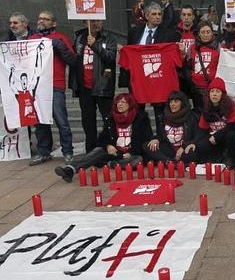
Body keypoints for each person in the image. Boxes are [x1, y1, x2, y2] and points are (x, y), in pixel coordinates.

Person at [54, 93, 153, 182]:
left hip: (132, 154)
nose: (120, 104)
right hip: (114, 152)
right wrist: (108, 146)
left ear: (130, 104)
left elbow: (145, 139)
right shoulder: (111, 118)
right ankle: (70, 170)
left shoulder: (141, 118)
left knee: (138, 160)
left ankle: (111, 164)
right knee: (97, 150)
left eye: (123, 102)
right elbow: (102, 138)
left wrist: (131, 152)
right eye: (118, 102)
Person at [123, 2, 181, 133]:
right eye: (154, 14)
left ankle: (161, 142)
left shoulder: (169, 34)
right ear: (146, 16)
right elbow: (129, 53)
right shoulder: (134, 32)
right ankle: (140, 142)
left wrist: (180, 50)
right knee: (137, 114)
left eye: (160, 14)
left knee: (160, 115)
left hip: (158, 81)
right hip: (139, 81)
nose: (157, 17)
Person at [29, 11, 76, 165]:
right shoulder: (32, 39)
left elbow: (73, 61)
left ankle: (68, 151)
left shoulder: (60, 38)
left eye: (45, 19)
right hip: (37, 87)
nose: (41, 20)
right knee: (40, 121)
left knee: (61, 121)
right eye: (40, 18)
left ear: (53, 23)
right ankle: (44, 152)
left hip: (55, 85)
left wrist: (61, 47)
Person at [70, 20, 118, 153]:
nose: (95, 24)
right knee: (88, 121)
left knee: (108, 119)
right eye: (92, 21)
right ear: (86, 23)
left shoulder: (108, 38)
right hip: (85, 87)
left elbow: (111, 57)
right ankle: (91, 150)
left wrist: (95, 45)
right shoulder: (79, 38)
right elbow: (74, 59)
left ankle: (110, 147)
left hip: (103, 86)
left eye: (98, 21)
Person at [188, 78, 235, 168]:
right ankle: (216, 157)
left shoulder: (230, 105)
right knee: (201, 145)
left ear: (222, 94)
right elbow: (202, 129)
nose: (214, 94)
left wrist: (217, 135)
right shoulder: (206, 107)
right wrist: (194, 143)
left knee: (232, 135)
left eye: (217, 91)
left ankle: (230, 158)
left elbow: (232, 125)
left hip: (225, 135)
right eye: (212, 91)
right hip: (213, 137)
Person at [144, 91, 197, 165]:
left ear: (183, 103)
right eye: (171, 101)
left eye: (176, 101)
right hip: (169, 149)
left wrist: (184, 147)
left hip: (184, 149)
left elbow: (196, 136)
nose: (172, 104)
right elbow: (161, 136)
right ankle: (168, 162)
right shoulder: (164, 117)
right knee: (148, 145)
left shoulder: (191, 117)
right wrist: (156, 139)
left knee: (192, 151)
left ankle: (176, 162)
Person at [190, 20, 220, 110]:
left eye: (208, 32)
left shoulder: (219, 47)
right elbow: (188, 65)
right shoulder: (192, 47)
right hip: (197, 88)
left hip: (213, 88)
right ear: (199, 34)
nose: (206, 34)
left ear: (212, 33)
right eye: (203, 32)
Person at [177, 4, 198, 98]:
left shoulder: (198, 31)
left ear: (193, 17)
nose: (186, 17)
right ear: (180, 16)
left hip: (195, 70)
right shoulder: (174, 31)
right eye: (184, 15)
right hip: (180, 72)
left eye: (189, 15)